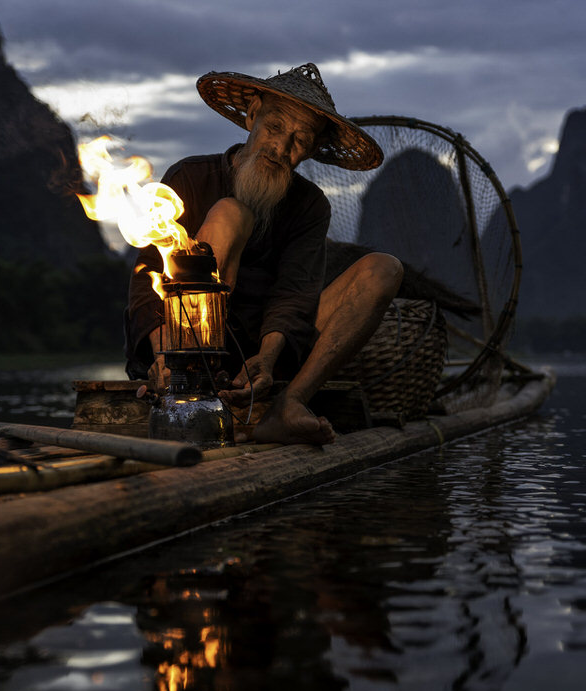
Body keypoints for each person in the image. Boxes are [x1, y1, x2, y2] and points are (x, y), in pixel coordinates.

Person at [125, 63, 403, 445]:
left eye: (300, 140)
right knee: (229, 213)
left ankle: (288, 405)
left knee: (383, 270)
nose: (281, 148)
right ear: (252, 116)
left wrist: (269, 358)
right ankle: (189, 378)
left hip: (265, 354)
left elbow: (295, 294)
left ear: (313, 149)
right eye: (274, 128)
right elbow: (147, 281)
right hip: (183, 351)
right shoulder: (190, 178)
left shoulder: (310, 206)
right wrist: (162, 353)